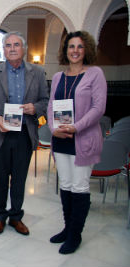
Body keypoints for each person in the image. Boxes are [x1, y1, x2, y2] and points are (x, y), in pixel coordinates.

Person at [0, 31, 49, 236]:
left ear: (23, 49)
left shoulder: (37, 72)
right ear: (3, 50)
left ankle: (16, 217)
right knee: (0, 179)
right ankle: (0, 217)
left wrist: (34, 108)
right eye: (7, 45)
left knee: (19, 179)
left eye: (16, 45)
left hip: (24, 133)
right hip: (1, 132)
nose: (12, 48)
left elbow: (45, 101)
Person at [47, 31, 106, 254]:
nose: (75, 51)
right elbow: (52, 105)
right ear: (65, 51)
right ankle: (67, 228)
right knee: (65, 185)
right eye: (71, 46)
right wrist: (54, 129)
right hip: (61, 139)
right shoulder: (58, 78)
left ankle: (75, 235)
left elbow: (98, 108)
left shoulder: (95, 74)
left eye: (79, 47)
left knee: (79, 187)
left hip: (83, 140)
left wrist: (76, 127)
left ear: (86, 50)